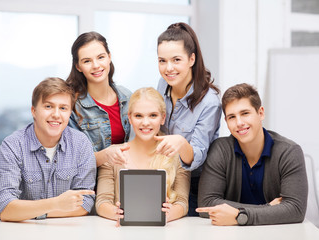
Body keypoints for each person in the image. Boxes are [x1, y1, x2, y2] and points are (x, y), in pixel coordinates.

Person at [196, 83, 308, 226]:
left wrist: (240, 216)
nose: (239, 122)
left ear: (260, 113)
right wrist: (268, 209)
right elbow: (206, 204)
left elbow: (295, 210)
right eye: (231, 117)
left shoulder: (289, 152)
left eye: (245, 113)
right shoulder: (220, 150)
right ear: (226, 122)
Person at [0, 77, 96, 222]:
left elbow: (85, 203)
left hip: (67, 231)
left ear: (69, 113)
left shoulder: (81, 144)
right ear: (34, 111)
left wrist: (34, 212)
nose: (56, 114)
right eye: (48, 106)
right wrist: (56, 204)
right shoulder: (12, 145)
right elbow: (4, 208)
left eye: (63, 108)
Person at [96, 87, 190, 225]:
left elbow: (182, 203)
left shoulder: (176, 154)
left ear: (163, 118)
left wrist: (169, 214)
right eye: (138, 116)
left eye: (153, 115)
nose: (145, 123)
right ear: (130, 117)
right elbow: (102, 202)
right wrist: (116, 213)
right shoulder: (114, 154)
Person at [156, 22, 222, 215]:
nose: (168, 68)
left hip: (195, 185)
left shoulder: (209, 102)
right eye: (162, 61)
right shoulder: (163, 84)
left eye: (176, 60)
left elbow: (198, 157)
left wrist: (180, 143)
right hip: (166, 177)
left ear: (192, 59)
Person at [67, 31, 131, 167]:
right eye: (87, 61)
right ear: (78, 66)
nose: (95, 65)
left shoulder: (128, 97)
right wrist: (107, 154)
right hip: (91, 183)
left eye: (100, 57)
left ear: (109, 57)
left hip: (128, 176)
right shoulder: (72, 107)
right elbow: (75, 161)